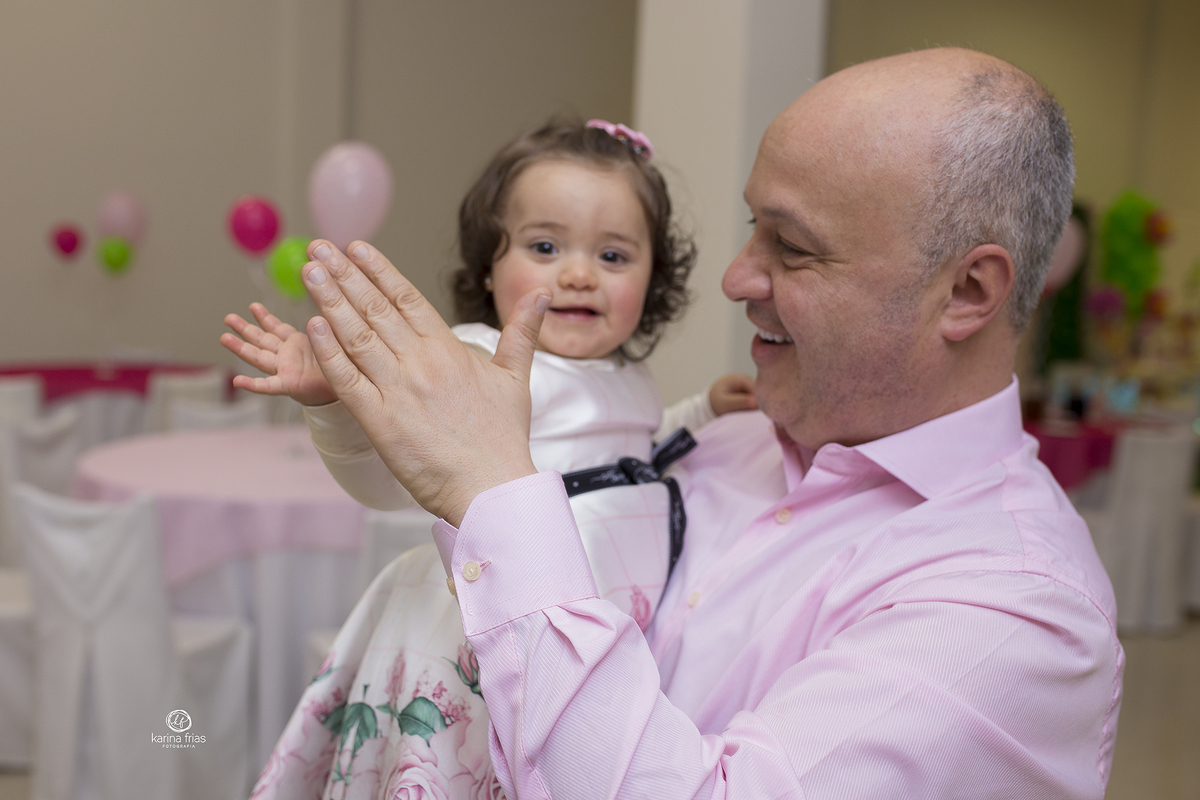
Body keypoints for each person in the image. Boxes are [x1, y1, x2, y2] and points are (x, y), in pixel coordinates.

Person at [290, 47, 1124, 799]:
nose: (735, 277)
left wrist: (496, 495)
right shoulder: (725, 435)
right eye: (751, 225)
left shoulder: (1011, 611)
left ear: (968, 292)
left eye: (792, 247)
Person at [223, 119, 756, 798]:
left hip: (574, 648)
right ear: (488, 265)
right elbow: (389, 478)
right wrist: (337, 404)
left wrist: (701, 411)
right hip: (476, 641)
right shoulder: (476, 361)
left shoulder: (632, 380)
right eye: (544, 245)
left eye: (614, 257)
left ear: (653, 281)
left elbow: (629, 447)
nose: (578, 273)